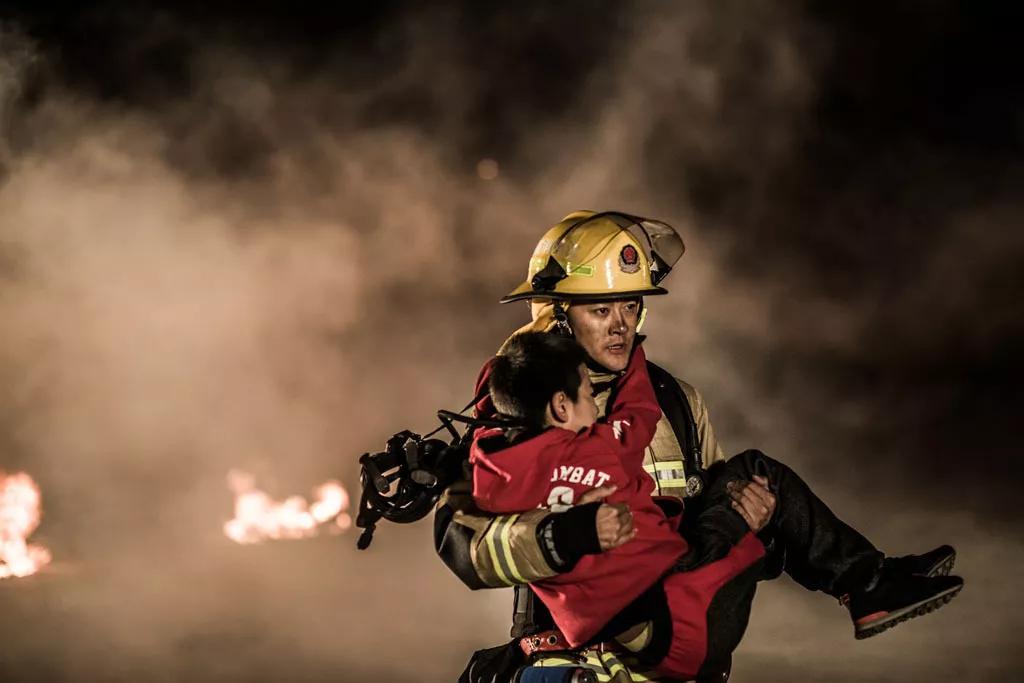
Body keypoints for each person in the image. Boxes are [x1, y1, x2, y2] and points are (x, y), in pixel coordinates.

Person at [436, 211, 963, 682]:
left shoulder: (677, 403)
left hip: (678, 643)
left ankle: (867, 582)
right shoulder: (513, 413)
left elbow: (724, 543)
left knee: (757, 480)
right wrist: (568, 536)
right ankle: (868, 582)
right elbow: (468, 551)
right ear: (556, 314)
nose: (622, 325)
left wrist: (756, 518)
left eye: (631, 304)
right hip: (577, 658)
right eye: (600, 310)